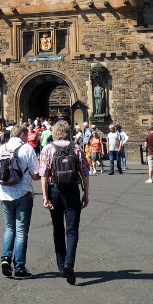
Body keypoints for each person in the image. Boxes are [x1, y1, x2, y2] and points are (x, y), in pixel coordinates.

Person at [40, 120, 90, 285]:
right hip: (72, 191)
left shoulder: (48, 149)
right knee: (72, 231)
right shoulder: (76, 148)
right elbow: (85, 173)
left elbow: (44, 175)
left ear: (54, 133)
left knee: (58, 229)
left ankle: (61, 267)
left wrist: (45, 197)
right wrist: (86, 194)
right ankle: (69, 263)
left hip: (54, 190)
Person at [0, 124, 40, 278]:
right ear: (23, 135)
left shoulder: (2, 148)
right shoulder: (27, 149)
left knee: (9, 228)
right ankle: (19, 268)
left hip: (4, 193)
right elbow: (35, 175)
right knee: (21, 231)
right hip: (23, 193)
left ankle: (6, 258)